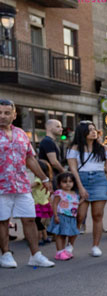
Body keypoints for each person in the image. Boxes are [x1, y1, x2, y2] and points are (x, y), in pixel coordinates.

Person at [0, 99, 55, 269]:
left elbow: (30, 158)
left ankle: (35, 255)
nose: (2, 116)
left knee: (30, 219)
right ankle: (6, 254)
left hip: (22, 185)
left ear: (14, 115)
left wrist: (44, 179)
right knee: (2, 221)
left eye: (6, 112)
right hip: (1, 187)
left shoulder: (21, 134)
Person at [67, 121, 107, 257]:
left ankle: (95, 246)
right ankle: (70, 245)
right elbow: (73, 169)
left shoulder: (104, 148)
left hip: (100, 180)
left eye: (94, 129)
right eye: (90, 130)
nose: (94, 132)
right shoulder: (74, 148)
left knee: (98, 215)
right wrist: (80, 187)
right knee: (79, 216)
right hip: (82, 179)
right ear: (83, 133)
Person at [48, 172, 81, 260]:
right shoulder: (59, 192)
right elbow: (54, 204)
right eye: (65, 182)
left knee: (66, 234)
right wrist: (55, 215)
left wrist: (84, 199)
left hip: (71, 217)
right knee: (60, 235)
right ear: (59, 183)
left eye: (70, 181)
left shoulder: (74, 193)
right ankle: (59, 252)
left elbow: (75, 204)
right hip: (61, 215)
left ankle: (63, 252)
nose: (68, 184)